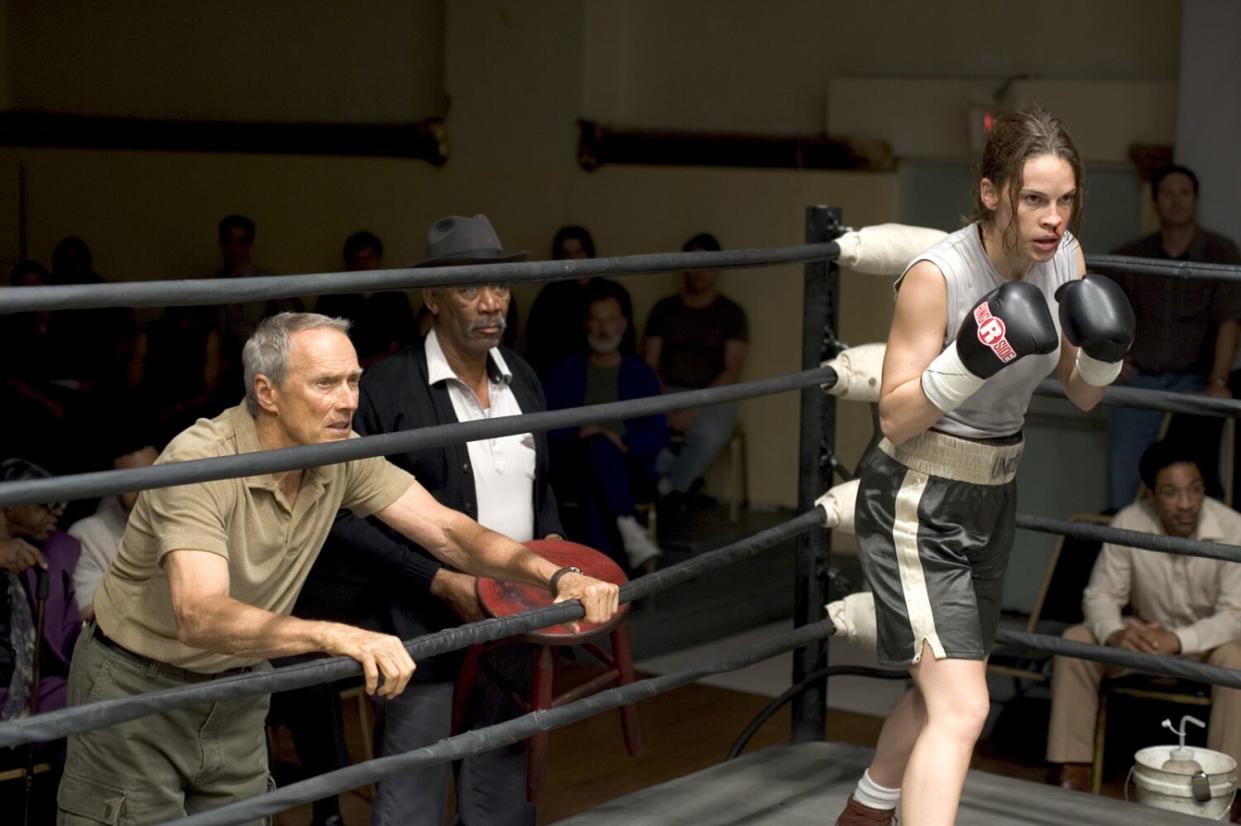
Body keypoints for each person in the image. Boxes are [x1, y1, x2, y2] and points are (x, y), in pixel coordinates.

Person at [56, 312, 619, 824]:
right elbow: (199, 614)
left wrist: (555, 575)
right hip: (137, 689)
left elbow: (448, 530)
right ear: (266, 392)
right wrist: (335, 635)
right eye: (326, 383)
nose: (348, 400)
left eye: (352, 381)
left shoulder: (341, 451)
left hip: (237, 687)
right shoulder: (200, 462)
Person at [836, 108, 1133, 826]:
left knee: (940, 690)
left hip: (992, 495)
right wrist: (967, 362)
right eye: (1035, 199)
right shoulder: (936, 276)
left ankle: (865, 813)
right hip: (916, 498)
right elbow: (893, 416)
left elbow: (1084, 393)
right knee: (965, 704)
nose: (1053, 219)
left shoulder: (1065, 258)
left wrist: (1105, 347)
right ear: (993, 192)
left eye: (1065, 201)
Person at [315, 213, 560, 826]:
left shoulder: (521, 378)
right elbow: (345, 516)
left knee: (502, 788)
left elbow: (543, 483)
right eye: (469, 289)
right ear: (432, 298)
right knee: (412, 793)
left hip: (511, 621)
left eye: (499, 287)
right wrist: (438, 581)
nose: (490, 304)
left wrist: (553, 548)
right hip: (418, 626)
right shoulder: (386, 390)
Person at [1047, 440, 1241, 793]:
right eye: (1171, 493)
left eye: (1194, 490)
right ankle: (1072, 772)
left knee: (1236, 661)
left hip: (1205, 647)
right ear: (1151, 494)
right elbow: (1102, 595)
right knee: (1077, 641)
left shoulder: (1233, 527)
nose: (1186, 504)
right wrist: (1116, 633)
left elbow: (1235, 615)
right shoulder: (1130, 521)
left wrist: (1180, 640)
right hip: (1142, 642)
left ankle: (1228, 789)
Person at [1107, 164, 1241, 511]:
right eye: (1167, 193)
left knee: (1200, 490)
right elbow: (1096, 310)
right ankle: (1123, 562)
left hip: (1195, 386)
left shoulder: (1220, 253)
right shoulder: (1131, 255)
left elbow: (1230, 321)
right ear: (1155, 202)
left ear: (1195, 200)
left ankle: (1200, 565)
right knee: (1124, 490)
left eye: (1184, 193)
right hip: (1139, 384)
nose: (1176, 201)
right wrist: (1108, 359)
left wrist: (1219, 381)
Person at [545, 280, 667, 571]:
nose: (603, 328)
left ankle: (600, 574)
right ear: (586, 324)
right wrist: (580, 431)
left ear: (623, 324)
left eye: (610, 319)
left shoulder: (639, 372)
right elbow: (544, 426)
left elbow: (657, 433)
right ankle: (628, 534)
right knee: (595, 453)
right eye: (596, 319)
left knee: (599, 461)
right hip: (572, 462)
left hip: (630, 466)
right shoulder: (566, 369)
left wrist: (619, 437)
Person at [642, 232, 748, 509]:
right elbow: (649, 364)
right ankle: (685, 484)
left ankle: (667, 489)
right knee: (639, 431)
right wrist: (666, 402)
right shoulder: (664, 309)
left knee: (710, 434)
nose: (698, 272)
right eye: (692, 264)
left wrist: (694, 407)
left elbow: (732, 370)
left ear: (717, 269)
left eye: (705, 264)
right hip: (665, 391)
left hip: (714, 395)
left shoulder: (731, 313)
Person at [213, 214, 304, 403]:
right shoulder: (210, 285)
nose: (236, 248)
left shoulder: (267, 282)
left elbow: (295, 322)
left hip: (259, 364)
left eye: (242, 241)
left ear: (249, 244)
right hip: (219, 368)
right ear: (221, 243)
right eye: (231, 240)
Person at [67, 435, 159, 620]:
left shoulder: (196, 519)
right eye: (134, 482)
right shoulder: (87, 535)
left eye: (156, 478)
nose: (146, 491)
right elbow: (92, 613)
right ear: (114, 489)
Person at [524, 225, 635, 377]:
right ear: (558, 259)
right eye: (567, 254)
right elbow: (536, 349)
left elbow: (629, 343)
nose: (574, 260)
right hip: (561, 380)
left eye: (579, 252)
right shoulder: (549, 297)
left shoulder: (613, 292)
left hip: (612, 374)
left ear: (589, 254)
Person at [315, 230, 418, 367]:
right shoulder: (333, 298)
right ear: (350, 264)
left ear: (378, 259)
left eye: (369, 257)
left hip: (389, 373)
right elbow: (320, 341)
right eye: (358, 259)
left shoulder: (396, 299)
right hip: (343, 372)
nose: (364, 265)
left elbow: (406, 345)